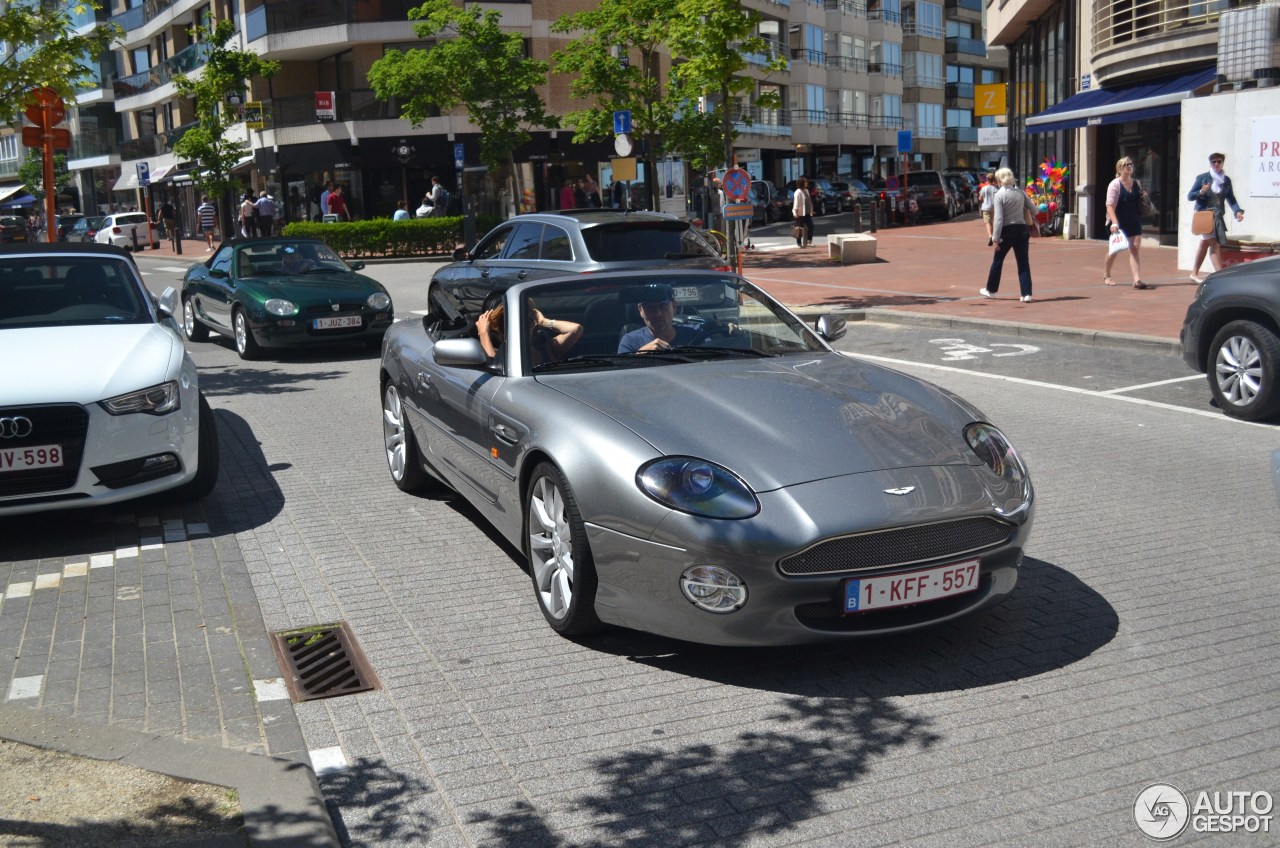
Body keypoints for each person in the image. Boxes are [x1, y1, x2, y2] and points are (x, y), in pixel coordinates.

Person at [981, 167, 1038, 303]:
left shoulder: (999, 195)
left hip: (1007, 231)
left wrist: (995, 238)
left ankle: (991, 290)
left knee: (998, 261)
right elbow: (1035, 211)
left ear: (999, 180)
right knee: (1023, 262)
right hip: (1022, 230)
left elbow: (999, 219)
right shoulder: (1020, 193)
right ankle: (1027, 294)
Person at [1187, 152, 1245, 283]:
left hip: (1217, 216)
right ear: (1210, 163)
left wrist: (1237, 212)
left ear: (1222, 163)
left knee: (1205, 244)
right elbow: (1190, 196)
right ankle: (1220, 274)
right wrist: (1201, 191)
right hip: (1204, 215)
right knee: (1214, 242)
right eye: (1213, 162)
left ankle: (1194, 273)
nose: (1216, 164)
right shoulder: (1203, 178)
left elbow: (1230, 198)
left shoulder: (1226, 180)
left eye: (1219, 161)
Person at [477, 301, 582, 365]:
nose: (521, 327)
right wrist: (483, 333)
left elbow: (576, 329)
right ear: (500, 331)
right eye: (509, 322)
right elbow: (494, 368)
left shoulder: (547, 348)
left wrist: (544, 321)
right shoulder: (501, 355)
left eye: (527, 321)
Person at [1103, 156, 1152, 289]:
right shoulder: (1115, 184)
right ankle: (1107, 274)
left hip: (1133, 220)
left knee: (1135, 248)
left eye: (1131, 164)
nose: (1130, 167)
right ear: (1120, 168)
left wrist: (1143, 196)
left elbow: (1138, 199)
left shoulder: (1136, 183)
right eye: (1126, 165)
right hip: (1118, 222)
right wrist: (1114, 222)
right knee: (1115, 250)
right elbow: (1110, 206)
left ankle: (1137, 280)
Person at [618, 284, 709, 353]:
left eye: (663, 306)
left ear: (674, 307)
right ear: (641, 311)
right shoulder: (630, 341)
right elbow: (623, 372)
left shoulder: (695, 334)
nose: (658, 313)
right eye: (650, 308)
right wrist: (642, 354)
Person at [792, 176, 814, 247]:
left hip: (807, 213)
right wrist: (795, 212)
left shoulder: (806, 191)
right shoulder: (798, 192)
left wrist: (811, 210)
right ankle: (799, 243)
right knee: (799, 228)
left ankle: (809, 241)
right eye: (805, 182)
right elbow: (796, 203)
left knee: (811, 226)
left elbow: (809, 201)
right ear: (802, 183)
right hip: (800, 213)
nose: (807, 184)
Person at [979, 172, 999, 245]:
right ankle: (994, 236)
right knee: (994, 222)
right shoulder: (996, 189)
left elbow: (980, 198)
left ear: (987, 180)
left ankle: (990, 235)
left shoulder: (984, 188)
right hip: (994, 207)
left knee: (987, 222)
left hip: (986, 207)